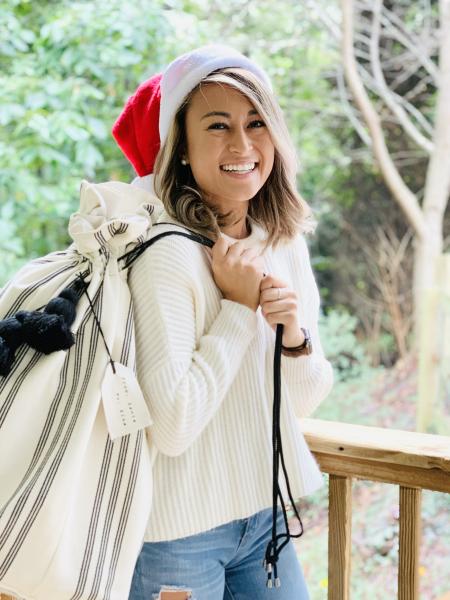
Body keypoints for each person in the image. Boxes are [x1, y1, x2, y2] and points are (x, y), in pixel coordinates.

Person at [112, 44, 334, 600]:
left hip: (265, 517)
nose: (242, 145)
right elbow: (172, 425)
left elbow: (302, 401)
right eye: (218, 125)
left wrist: (294, 338)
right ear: (181, 147)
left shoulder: (282, 242)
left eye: (256, 122)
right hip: (176, 536)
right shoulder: (165, 254)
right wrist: (237, 311)